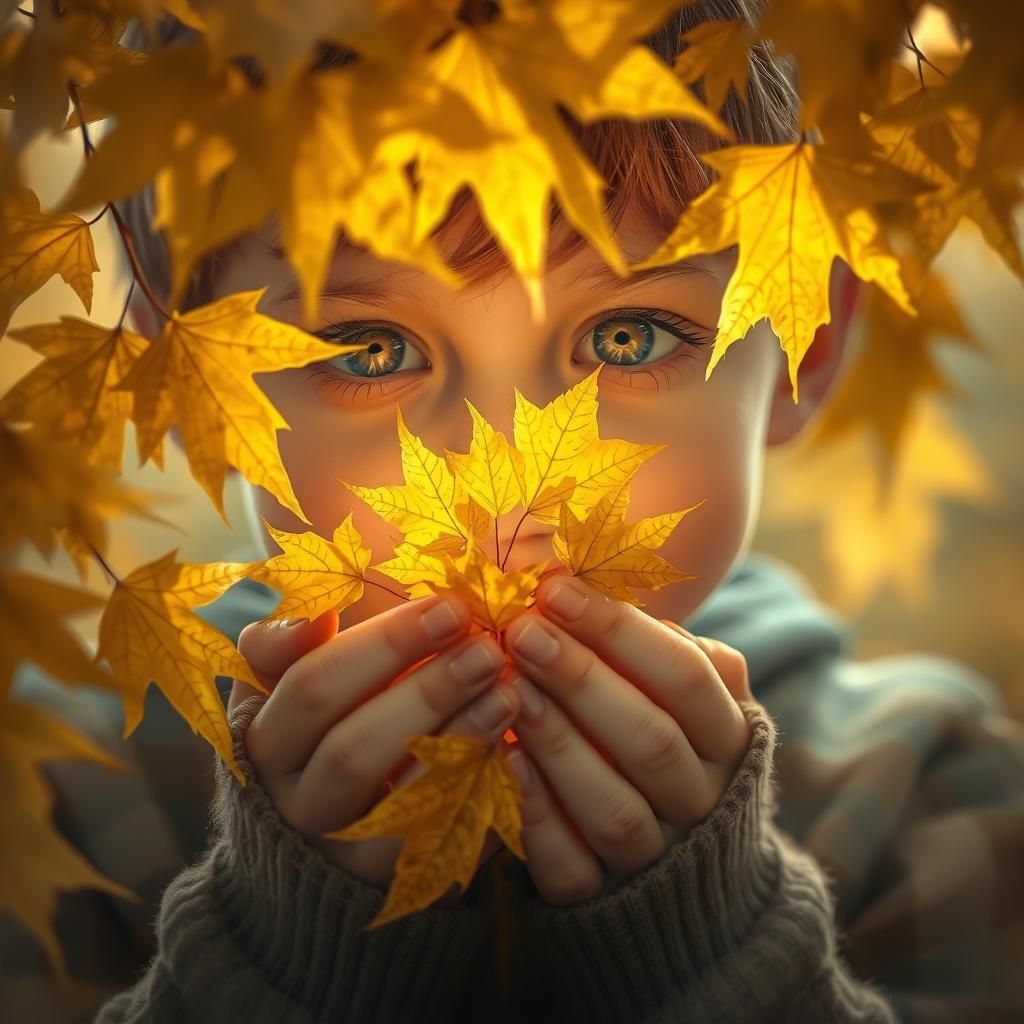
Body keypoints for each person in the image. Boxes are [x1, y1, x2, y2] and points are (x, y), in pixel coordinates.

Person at [4, 3, 1024, 1022]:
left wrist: (722, 953)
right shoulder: (64, 799)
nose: (504, 496)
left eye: (627, 338)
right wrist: (275, 954)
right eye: (372, 352)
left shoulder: (930, 794)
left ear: (803, 345)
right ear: (182, 377)